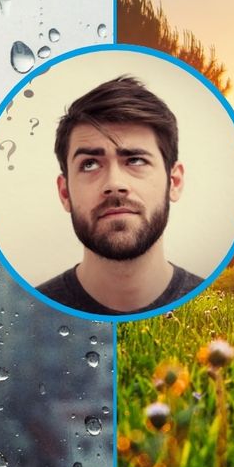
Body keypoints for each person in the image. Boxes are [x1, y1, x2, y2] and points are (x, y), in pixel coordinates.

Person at [36, 75, 204, 315]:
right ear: (65, 193)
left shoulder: (219, 312)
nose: (114, 184)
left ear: (174, 182)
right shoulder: (28, 317)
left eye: (135, 160)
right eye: (90, 164)